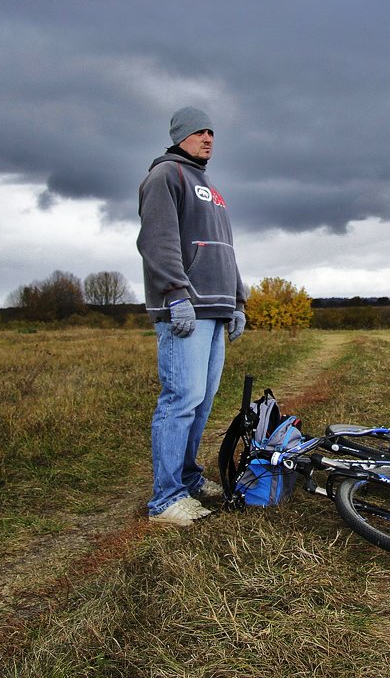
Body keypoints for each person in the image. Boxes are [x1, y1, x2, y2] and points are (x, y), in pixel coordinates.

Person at [137, 106, 247, 526]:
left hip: (216, 310)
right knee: (179, 401)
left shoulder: (212, 188)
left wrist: (238, 300)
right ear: (180, 135)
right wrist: (174, 293)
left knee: (200, 404)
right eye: (200, 132)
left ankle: (187, 478)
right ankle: (165, 500)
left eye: (212, 133)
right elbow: (157, 240)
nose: (208, 139)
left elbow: (225, 248)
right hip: (186, 308)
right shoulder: (166, 176)